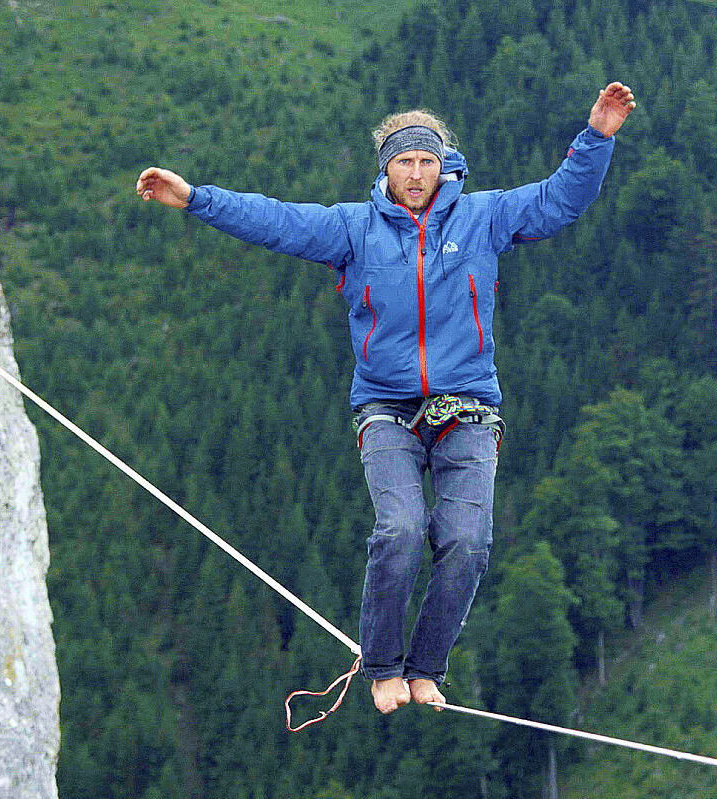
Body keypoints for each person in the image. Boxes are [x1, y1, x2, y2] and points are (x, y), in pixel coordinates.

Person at [136, 83, 636, 714]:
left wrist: (598, 137)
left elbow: (558, 201)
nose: (417, 174)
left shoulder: (483, 217)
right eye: (405, 162)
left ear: (445, 164)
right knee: (400, 530)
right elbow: (276, 220)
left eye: (428, 161)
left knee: (468, 540)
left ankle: (426, 668)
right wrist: (193, 199)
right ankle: (381, 668)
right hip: (387, 409)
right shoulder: (354, 229)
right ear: (387, 169)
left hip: (469, 411)